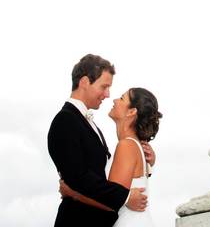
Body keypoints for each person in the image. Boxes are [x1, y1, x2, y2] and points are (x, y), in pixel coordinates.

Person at [47, 54, 153, 227]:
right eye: (104, 87)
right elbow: (78, 177)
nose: (107, 94)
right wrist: (125, 197)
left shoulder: (90, 124)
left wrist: (145, 166)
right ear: (84, 82)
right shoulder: (65, 121)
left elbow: (102, 176)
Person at [60, 87, 162, 227]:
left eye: (121, 98)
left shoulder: (126, 146)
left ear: (132, 112)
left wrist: (73, 193)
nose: (114, 100)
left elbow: (111, 203)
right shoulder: (133, 146)